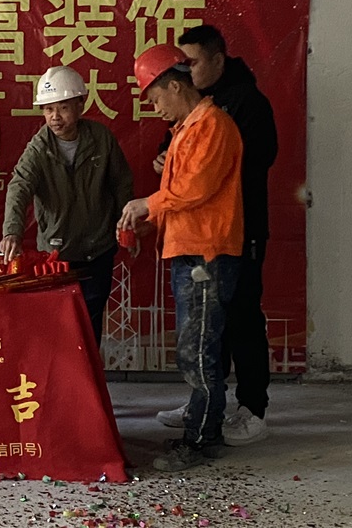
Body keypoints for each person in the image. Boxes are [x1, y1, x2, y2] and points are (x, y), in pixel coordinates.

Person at [119, 43, 243, 472]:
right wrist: (149, 223)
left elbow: (194, 189)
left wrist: (146, 205)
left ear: (174, 86)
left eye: (155, 98)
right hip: (192, 251)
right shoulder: (188, 130)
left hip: (205, 254)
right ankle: (203, 426)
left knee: (198, 348)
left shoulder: (212, 125)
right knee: (197, 346)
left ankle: (202, 437)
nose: (155, 108)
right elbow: (182, 198)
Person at [154, 25, 278, 447]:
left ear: (217, 59)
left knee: (241, 317)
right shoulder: (190, 117)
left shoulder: (239, 107)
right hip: (198, 234)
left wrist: (189, 180)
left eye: (191, 63)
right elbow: (180, 169)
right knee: (208, 329)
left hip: (234, 230)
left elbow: (221, 175)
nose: (185, 70)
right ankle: (207, 405)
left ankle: (251, 407)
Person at [1, 66, 134, 347]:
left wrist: (127, 225)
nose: (55, 117)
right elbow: (19, 186)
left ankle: (88, 374)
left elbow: (121, 184)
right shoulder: (39, 147)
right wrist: (12, 232)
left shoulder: (101, 139)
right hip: (56, 254)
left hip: (98, 249)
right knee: (57, 324)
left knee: (91, 320)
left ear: (80, 105)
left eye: (62, 107)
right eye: (48, 109)